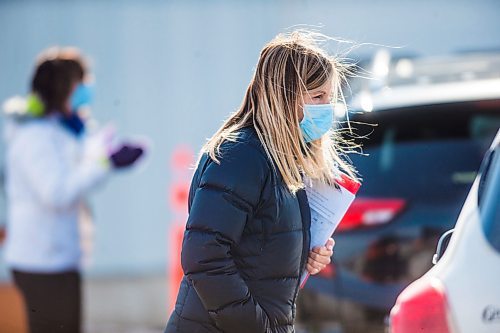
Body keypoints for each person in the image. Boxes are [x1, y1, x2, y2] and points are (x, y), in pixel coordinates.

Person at [164, 30, 358, 333]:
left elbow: (256, 245)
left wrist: (303, 254)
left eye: (330, 97)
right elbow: (204, 257)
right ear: (284, 97)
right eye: (318, 96)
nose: (327, 107)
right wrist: (257, 326)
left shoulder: (281, 157)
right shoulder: (240, 155)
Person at [2, 47, 144, 333]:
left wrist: (107, 155)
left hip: (61, 257)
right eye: (81, 84)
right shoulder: (35, 137)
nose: (86, 92)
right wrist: (106, 163)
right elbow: (57, 192)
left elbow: (78, 169)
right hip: (41, 262)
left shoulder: (59, 130)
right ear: (63, 87)